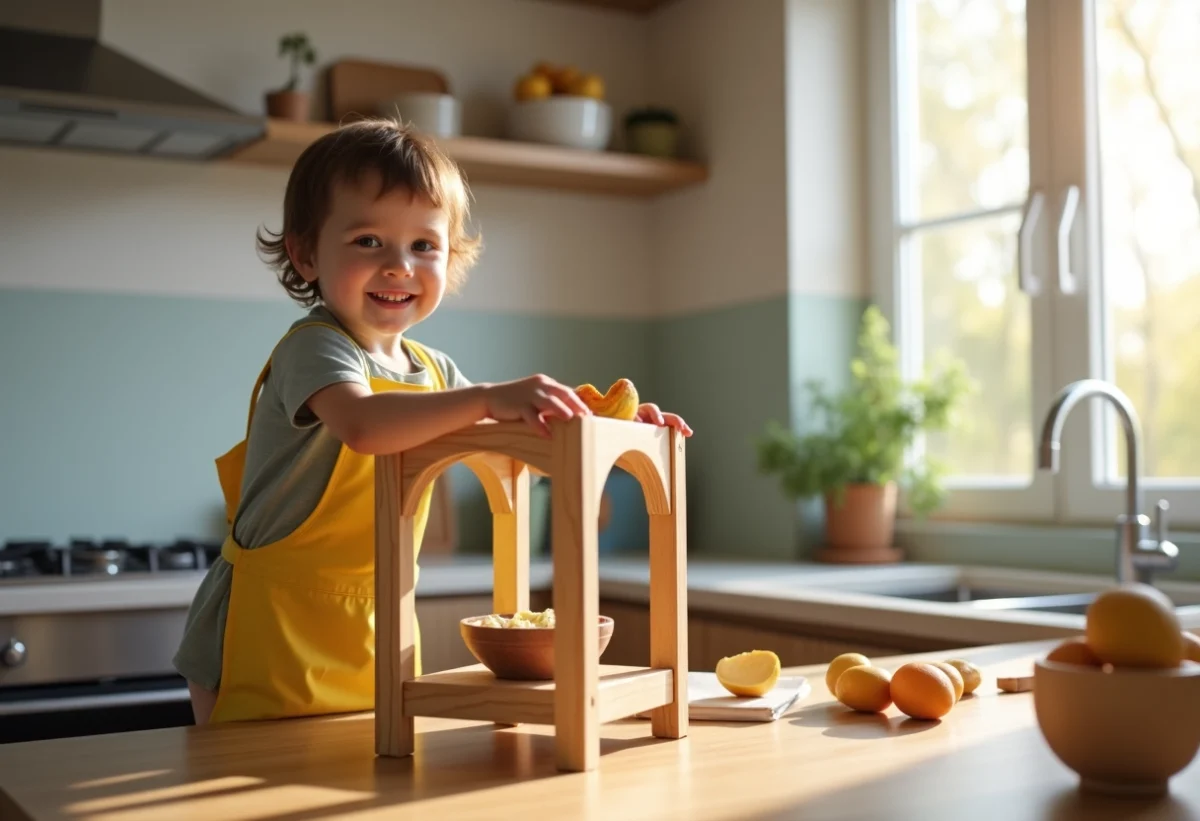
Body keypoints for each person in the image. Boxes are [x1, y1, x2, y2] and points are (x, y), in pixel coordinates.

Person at [173, 118, 693, 726]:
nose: (399, 265)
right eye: (369, 240)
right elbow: (365, 425)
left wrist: (615, 425)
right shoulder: (316, 347)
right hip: (267, 624)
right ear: (306, 253)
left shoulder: (434, 370)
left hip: (375, 622)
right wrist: (488, 398)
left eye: (424, 245)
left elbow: (516, 452)